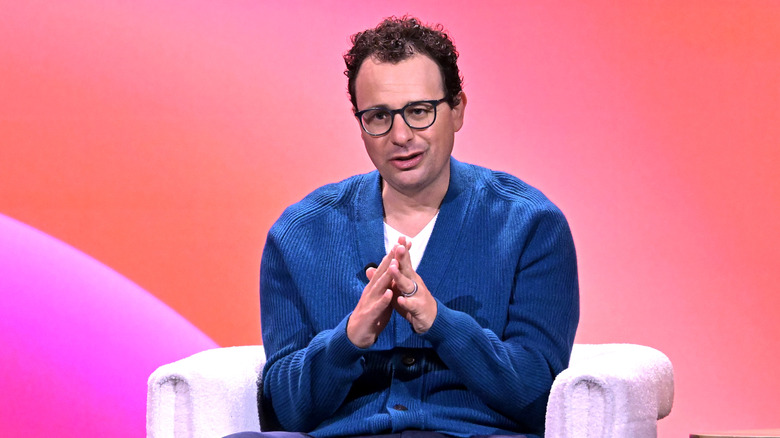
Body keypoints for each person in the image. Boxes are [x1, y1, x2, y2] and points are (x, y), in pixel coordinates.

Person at [227, 15, 578, 438]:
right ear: (360, 123)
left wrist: (438, 322)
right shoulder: (299, 235)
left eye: (419, 111)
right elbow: (285, 410)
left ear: (457, 110)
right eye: (378, 116)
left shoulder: (530, 226)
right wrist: (348, 340)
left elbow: (539, 397)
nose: (400, 135)